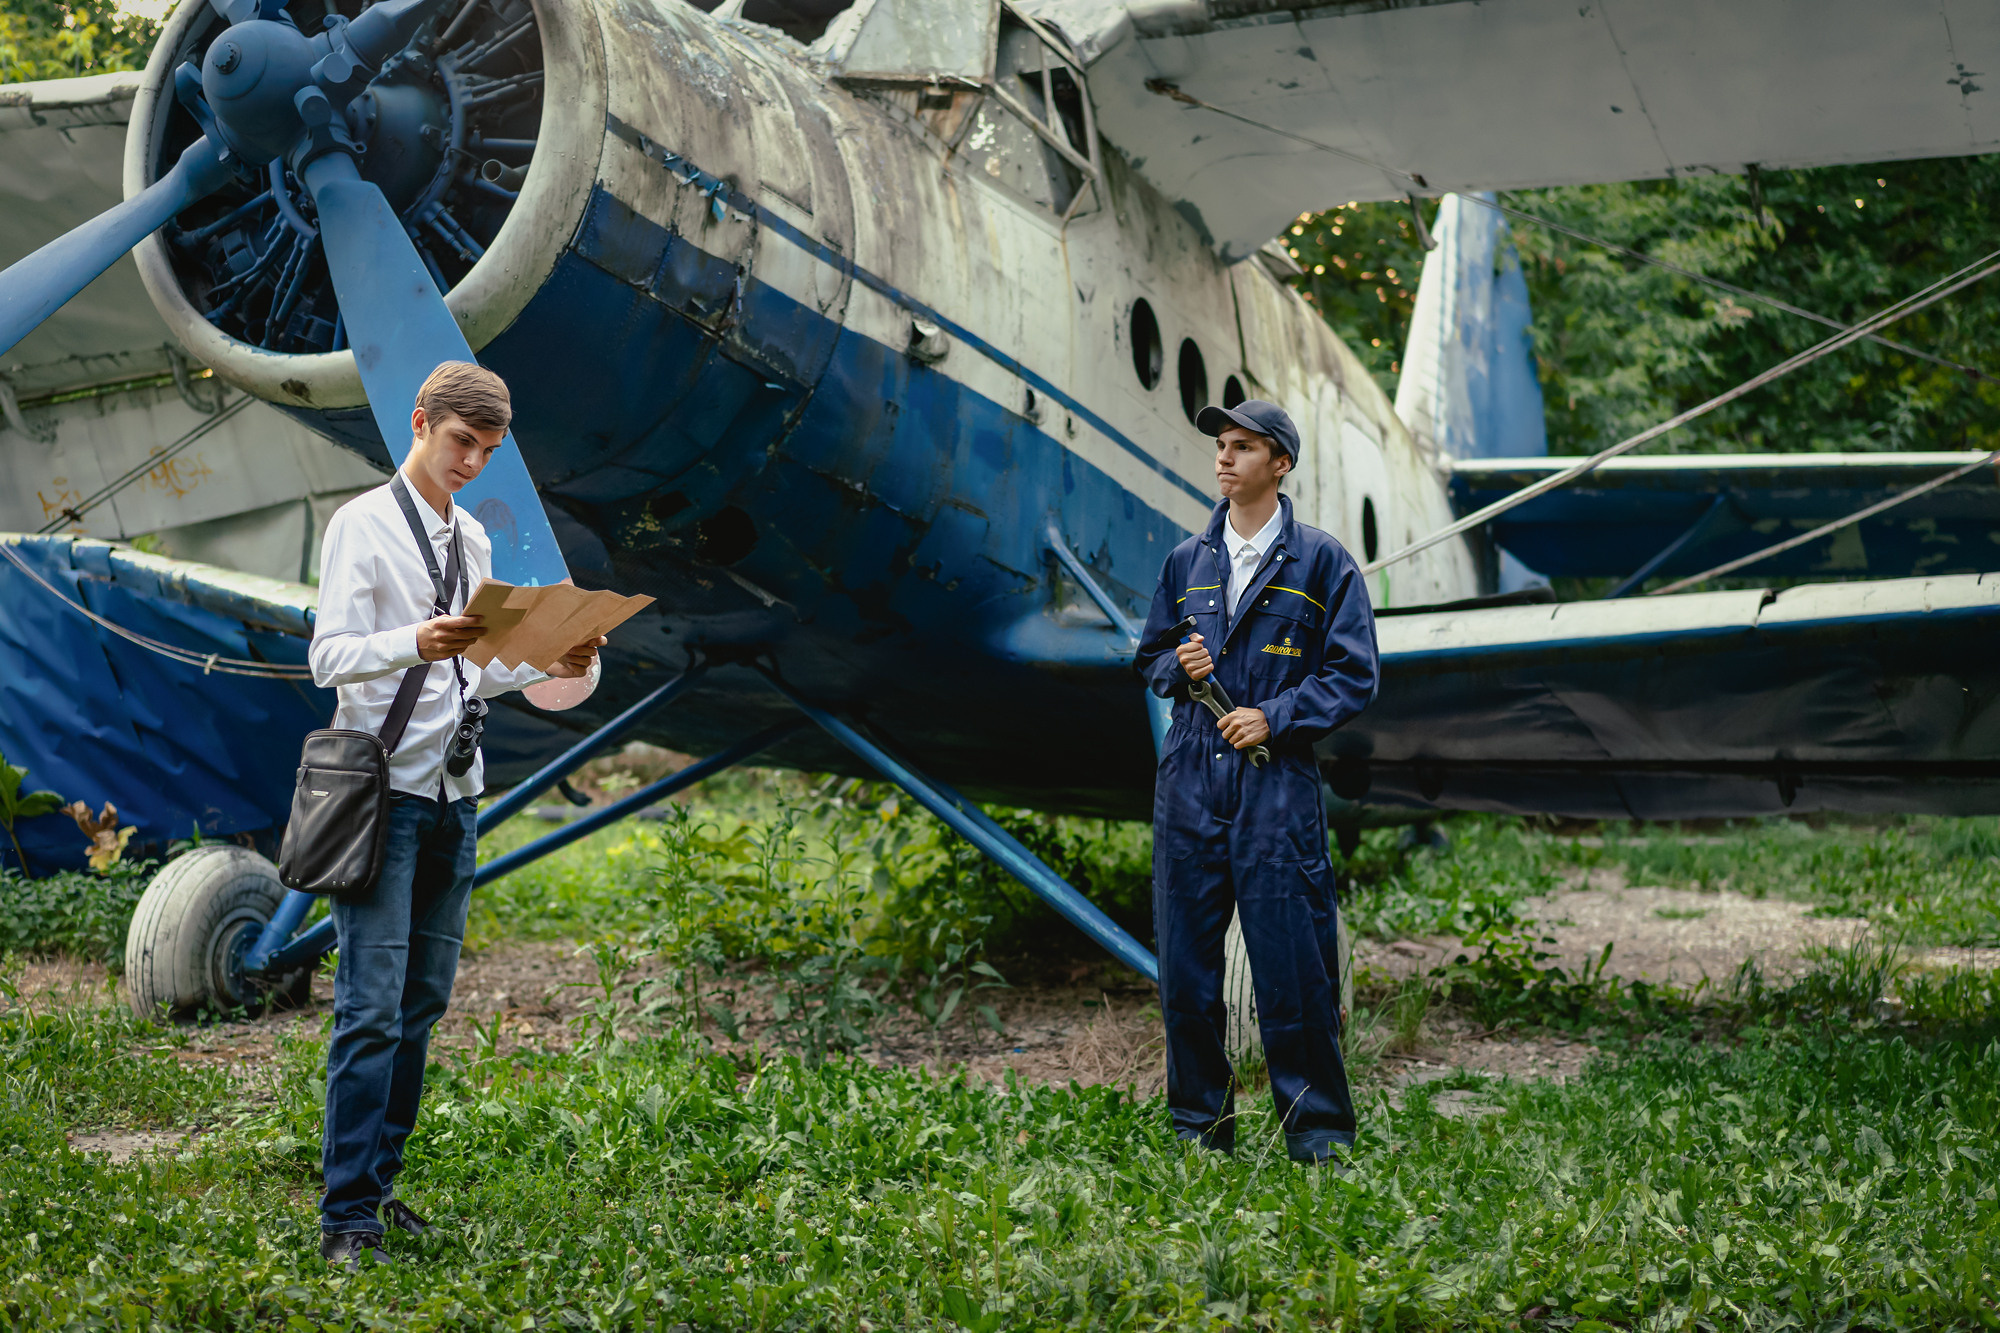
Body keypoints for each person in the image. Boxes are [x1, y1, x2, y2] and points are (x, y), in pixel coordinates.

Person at [308, 362, 604, 1268]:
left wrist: (554, 659)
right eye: (460, 442)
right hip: (383, 798)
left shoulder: (472, 536)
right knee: (369, 1009)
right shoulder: (361, 524)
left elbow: (475, 671)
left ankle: (379, 1186)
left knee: (421, 1003)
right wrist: (415, 640)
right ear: (421, 422)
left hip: (455, 796)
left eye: (487, 450)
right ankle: (345, 1216)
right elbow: (327, 658)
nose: (471, 462)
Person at [1132, 399, 1378, 1164]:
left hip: (1275, 785)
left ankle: (1319, 1137)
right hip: (1190, 779)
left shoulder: (1324, 563)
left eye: (1243, 446)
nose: (1224, 457)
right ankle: (1199, 1132)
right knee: (1186, 972)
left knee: (1293, 967)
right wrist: (1180, 667)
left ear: (1281, 463)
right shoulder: (1186, 561)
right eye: (1221, 445)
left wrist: (1275, 715)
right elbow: (1150, 656)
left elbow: (1355, 674)